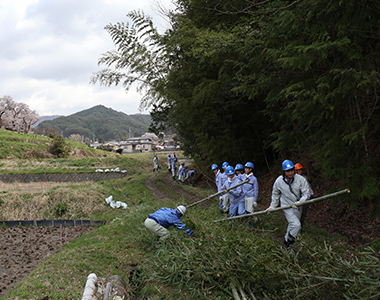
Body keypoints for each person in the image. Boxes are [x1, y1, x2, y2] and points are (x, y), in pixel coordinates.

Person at [266, 159, 310, 252]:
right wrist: (273, 206)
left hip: (298, 205)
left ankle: (286, 242)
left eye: (291, 170)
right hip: (286, 206)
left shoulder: (300, 179)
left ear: (294, 170)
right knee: (296, 225)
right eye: (287, 171)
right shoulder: (279, 181)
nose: (290, 173)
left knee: (292, 226)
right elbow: (275, 194)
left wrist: (300, 202)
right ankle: (288, 243)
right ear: (284, 171)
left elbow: (306, 193)